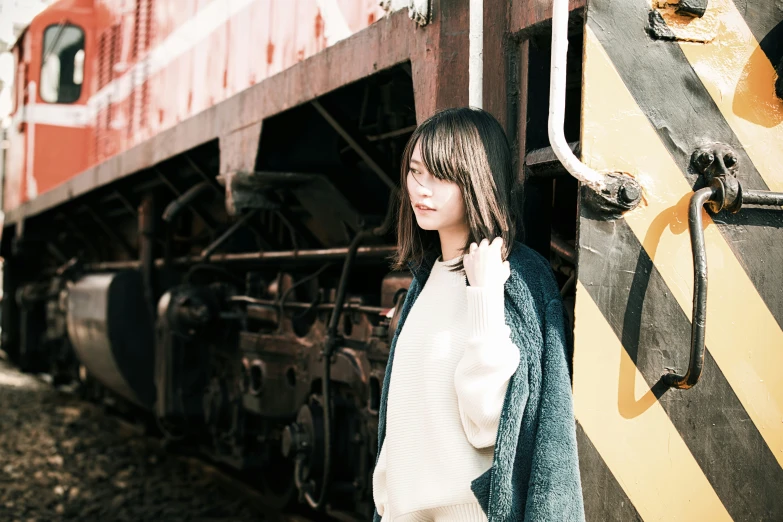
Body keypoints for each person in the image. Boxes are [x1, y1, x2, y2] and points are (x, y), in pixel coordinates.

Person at [372, 107, 584, 521]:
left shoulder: (516, 278)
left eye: (441, 175)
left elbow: (491, 424)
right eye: (416, 172)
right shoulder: (425, 278)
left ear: (476, 179)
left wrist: (484, 296)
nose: (422, 189)